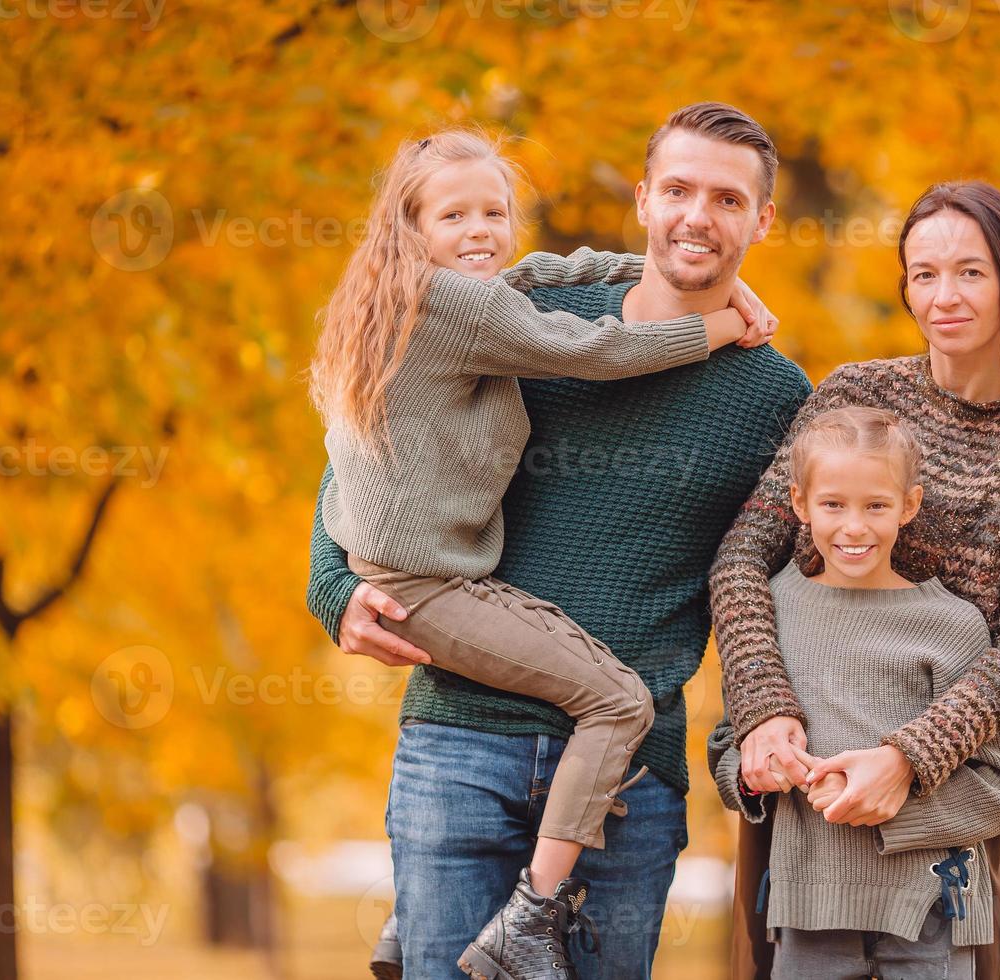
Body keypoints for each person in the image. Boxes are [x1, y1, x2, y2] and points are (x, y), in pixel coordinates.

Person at [305, 103, 812, 980]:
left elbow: (757, 582)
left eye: (728, 200)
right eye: (679, 189)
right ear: (645, 200)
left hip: (629, 784)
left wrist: (766, 721)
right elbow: (373, 442)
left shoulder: (774, 394)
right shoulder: (521, 311)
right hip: (460, 744)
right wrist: (332, 585)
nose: (698, 215)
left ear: (761, 221)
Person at [711, 180, 1000, 979]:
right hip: (808, 798)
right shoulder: (854, 395)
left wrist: (908, 759)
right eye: (923, 274)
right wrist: (763, 712)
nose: (942, 296)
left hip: (947, 811)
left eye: (969, 273)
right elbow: (744, 556)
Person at [708, 406, 1000, 979]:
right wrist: (753, 775)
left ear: (909, 506)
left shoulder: (951, 625)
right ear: (800, 504)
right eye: (832, 504)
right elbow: (729, 745)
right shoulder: (771, 611)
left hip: (933, 907)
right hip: (807, 911)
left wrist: (892, 805)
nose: (853, 527)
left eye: (875, 506)